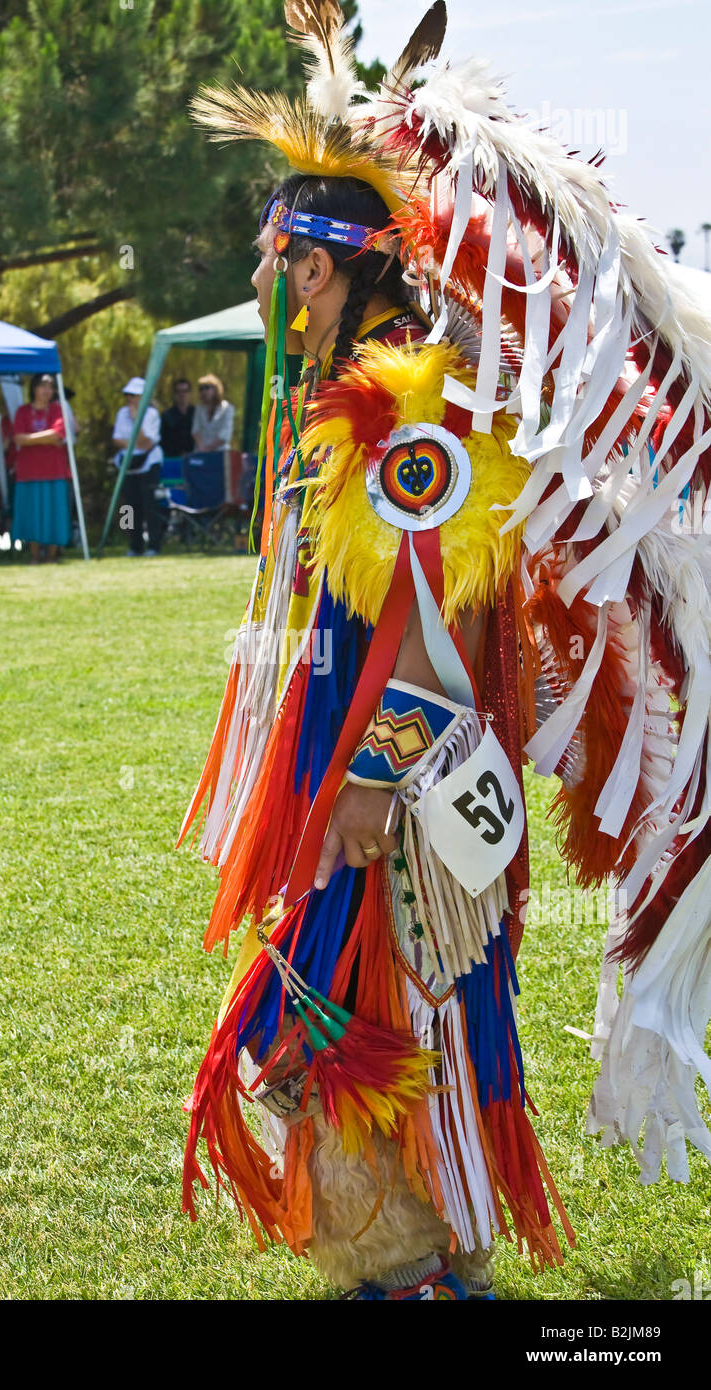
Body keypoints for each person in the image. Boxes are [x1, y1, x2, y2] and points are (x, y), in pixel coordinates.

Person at [178, 3, 711, 1302]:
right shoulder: (367, 401)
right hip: (378, 787)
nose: (263, 286)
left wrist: (367, 777)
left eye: (280, 265)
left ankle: (419, 1270)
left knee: (392, 1018)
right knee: (376, 1019)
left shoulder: (404, 414)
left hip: (407, 793)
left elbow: (439, 645)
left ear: (332, 270)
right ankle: (420, 1257)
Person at [11, 373, 70, 562]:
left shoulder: (58, 410)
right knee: (32, 512)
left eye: (51, 387)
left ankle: (52, 555)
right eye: (43, 386)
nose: (47, 391)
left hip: (55, 470)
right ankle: (35, 555)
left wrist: (30, 438)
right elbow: (18, 439)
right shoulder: (22, 411)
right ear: (34, 389)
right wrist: (45, 438)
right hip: (29, 472)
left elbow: (58, 434)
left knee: (54, 511)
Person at [113, 377, 164, 557]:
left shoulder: (151, 414)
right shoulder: (121, 413)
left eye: (133, 395)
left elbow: (145, 443)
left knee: (150, 505)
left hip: (149, 464)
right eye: (127, 395)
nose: (129, 399)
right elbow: (117, 440)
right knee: (128, 508)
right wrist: (135, 443)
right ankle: (133, 545)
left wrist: (136, 420)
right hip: (128, 465)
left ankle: (154, 545)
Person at [191, 374, 234, 452]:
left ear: (216, 388)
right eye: (201, 388)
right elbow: (195, 430)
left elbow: (225, 434)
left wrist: (208, 449)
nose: (204, 391)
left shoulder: (227, 408)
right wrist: (202, 449)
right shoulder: (198, 409)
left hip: (220, 452)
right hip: (200, 452)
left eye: (207, 387)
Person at [160, 378, 194, 457]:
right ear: (174, 394)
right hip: (172, 459)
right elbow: (163, 441)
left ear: (190, 393)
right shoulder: (166, 416)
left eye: (185, 391)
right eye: (179, 392)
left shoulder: (197, 414)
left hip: (194, 457)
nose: (182, 395)